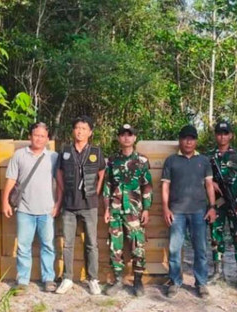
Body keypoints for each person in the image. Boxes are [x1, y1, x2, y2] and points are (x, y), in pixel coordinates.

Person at [2, 122, 59, 294]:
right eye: (36, 135)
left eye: (43, 136)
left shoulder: (53, 157)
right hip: (25, 210)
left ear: (47, 139)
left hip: (47, 210)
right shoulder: (19, 155)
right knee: (23, 246)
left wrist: (58, 204)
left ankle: (49, 278)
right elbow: (11, 180)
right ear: (30, 136)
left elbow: (61, 183)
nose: (39, 138)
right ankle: (22, 280)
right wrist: (5, 201)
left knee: (48, 245)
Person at [162, 125, 217, 299]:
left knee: (200, 248)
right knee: (174, 249)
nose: (188, 141)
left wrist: (212, 207)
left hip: (199, 212)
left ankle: (201, 283)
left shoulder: (204, 160)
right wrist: (165, 207)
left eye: (192, 138)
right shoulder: (171, 161)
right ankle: (175, 281)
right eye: (185, 138)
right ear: (180, 140)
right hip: (176, 212)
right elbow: (165, 186)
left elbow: (209, 185)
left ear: (196, 141)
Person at [55, 115, 106, 295]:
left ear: (90, 132)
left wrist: (95, 193)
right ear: (73, 130)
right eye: (77, 127)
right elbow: (59, 173)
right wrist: (64, 191)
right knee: (68, 243)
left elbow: (101, 173)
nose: (80, 131)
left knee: (91, 243)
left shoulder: (96, 152)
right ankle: (67, 278)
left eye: (84, 128)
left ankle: (93, 279)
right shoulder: (65, 151)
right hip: (69, 204)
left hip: (89, 204)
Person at [102, 124, 153, 297]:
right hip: (115, 210)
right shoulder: (111, 161)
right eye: (123, 135)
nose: (126, 138)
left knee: (137, 245)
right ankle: (117, 280)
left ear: (134, 138)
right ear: (118, 138)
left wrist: (146, 209)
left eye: (129, 135)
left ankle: (138, 281)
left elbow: (147, 187)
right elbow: (107, 186)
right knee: (115, 246)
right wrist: (106, 209)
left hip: (134, 211)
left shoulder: (142, 161)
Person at [206, 121, 237, 290]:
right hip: (216, 202)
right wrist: (211, 185)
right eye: (219, 133)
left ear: (231, 135)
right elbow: (203, 178)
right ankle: (218, 271)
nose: (222, 136)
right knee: (216, 234)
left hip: (235, 202)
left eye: (225, 133)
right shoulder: (208, 157)